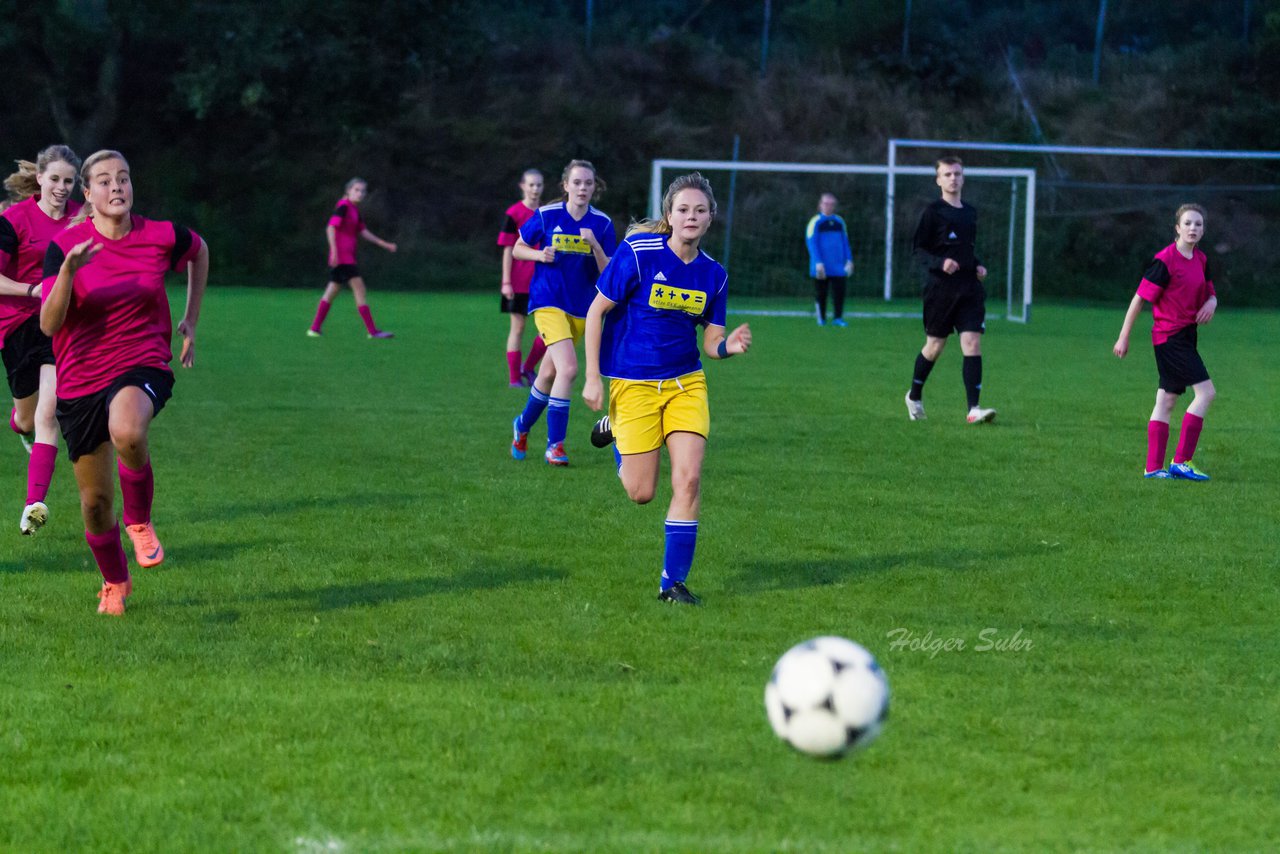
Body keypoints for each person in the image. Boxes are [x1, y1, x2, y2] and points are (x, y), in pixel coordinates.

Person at [40, 150, 209, 616]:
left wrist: (192, 319)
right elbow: (49, 326)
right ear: (88, 194)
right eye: (105, 181)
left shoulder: (160, 235)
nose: (117, 187)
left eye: (124, 179)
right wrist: (68, 274)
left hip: (142, 363)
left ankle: (139, 521)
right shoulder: (66, 248)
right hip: (80, 381)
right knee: (94, 506)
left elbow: (199, 250)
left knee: (129, 430)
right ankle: (115, 582)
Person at [582, 172, 751, 605]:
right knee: (641, 493)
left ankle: (671, 584)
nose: (691, 216)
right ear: (669, 216)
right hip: (634, 384)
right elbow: (597, 312)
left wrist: (727, 347)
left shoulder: (715, 275)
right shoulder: (639, 253)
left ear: (711, 218)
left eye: (699, 210)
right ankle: (616, 427)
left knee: (690, 480)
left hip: (686, 384)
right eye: (683, 209)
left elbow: (712, 341)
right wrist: (591, 378)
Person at [509, 159, 615, 466]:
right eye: (577, 182)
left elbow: (608, 273)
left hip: (583, 310)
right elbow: (518, 248)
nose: (583, 188)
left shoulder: (602, 224)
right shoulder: (546, 215)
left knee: (549, 373)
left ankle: (522, 425)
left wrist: (595, 246)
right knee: (568, 369)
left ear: (595, 188)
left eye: (588, 183)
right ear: (565, 185)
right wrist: (539, 254)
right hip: (547, 302)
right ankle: (555, 445)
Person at [0, 144, 82, 535]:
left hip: (58, 324)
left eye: (69, 181)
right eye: (55, 180)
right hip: (16, 325)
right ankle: (19, 425)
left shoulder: (83, 219)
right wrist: (32, 290)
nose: (62, 188)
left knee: (50, 414)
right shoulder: (14, 220)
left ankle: (35, 503)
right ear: (40, 179)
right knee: (28, 416)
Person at [1113, 203, 1217, 480]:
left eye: (1198, 224)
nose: (1193, 228)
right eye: (1188, 223)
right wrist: (1124, 336)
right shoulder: (1165, 261)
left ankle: (1153, 468)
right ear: (1177, 228)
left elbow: (1209, 288)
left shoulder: (1201, 259)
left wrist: (1213, 301)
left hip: (1186, 335)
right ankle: (1181, 461)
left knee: (1168, 399)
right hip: (1170, 337)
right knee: (1206, 393)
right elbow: (1139, 299)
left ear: (1203, 229)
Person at [903, 156, 996, 424]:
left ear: (963, 177)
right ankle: (915, 395)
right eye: (947, 174)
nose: (953, 178)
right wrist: (940, 262)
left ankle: (973, 409)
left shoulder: (970, 212)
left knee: (972, 342)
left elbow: (966, 249)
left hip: (969, 289)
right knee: (935, 346)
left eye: (957, 173)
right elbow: (918, 250)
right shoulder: (932, 212)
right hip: (940, 291)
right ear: (938, 180)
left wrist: (977, 265)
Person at [307, 177, 396, 339]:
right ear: (348, 191)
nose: (360, 193)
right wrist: (334, 251)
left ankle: (314, 328)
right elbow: (331, 227)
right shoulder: (343, 207)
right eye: (356, 190)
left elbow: (364, 232)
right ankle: (372, 331)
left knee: (332, 291)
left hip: (346, 258)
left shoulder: (354, 210)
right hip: (343, 258)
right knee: (359, 289)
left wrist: (385, 244)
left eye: (363, 191)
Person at [497, 169, 547, 387]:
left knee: (547, 330)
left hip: (543, 280)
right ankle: (514, 378)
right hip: (518, 281)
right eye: (531, 185)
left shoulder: (547, 213)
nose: (535, 189)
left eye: (539, 185)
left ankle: (528, 367)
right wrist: (506, 281)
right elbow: (508, 249)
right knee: (517, 328)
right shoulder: (514, 213)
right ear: (522, 186)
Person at [805, 192, 854, 327]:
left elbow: (845, 242)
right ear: (820, 205)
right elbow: (811, 243)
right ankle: (821, 319)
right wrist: (818, 262)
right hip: (821, 267)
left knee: (839, 292)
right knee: (821, 293)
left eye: (831, 204)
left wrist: (849, 260)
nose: (829, 206)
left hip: (838, 266)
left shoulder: (839, 222)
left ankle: (838, 318)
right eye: (826, 204)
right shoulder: (815, 222)